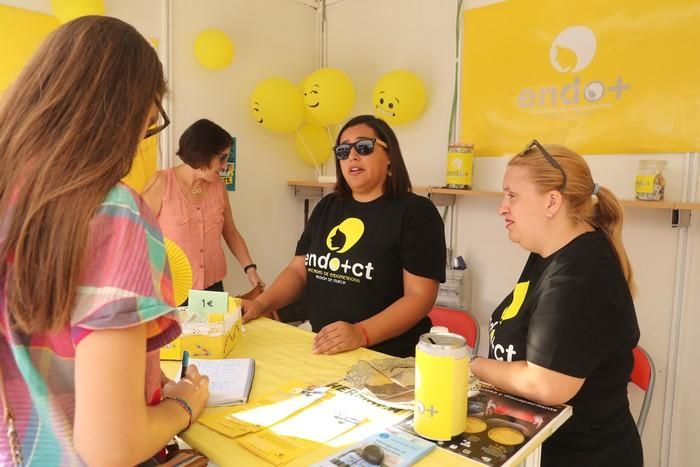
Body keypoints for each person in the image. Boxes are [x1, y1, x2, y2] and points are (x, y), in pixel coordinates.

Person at [0, 17, 209, 465]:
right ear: (126, 114)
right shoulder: (113, 211)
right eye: (149, 122)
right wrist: (185, 403)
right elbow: (109, 448)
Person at [469, 140, 642, 467]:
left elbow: (546, 384)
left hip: (580, 457)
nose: (502, 207)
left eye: (512, 195)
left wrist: (471, 365)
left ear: (551, 202)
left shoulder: (581, 272)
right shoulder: (546, 254)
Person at [242, 115, 446, 357]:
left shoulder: (416, 213)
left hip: (389, 357)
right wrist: (261, 304)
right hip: (329, 353)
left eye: (363, 147)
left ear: (390, 156)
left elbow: (420, 297)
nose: (352, 156)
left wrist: (361, 333)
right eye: (342, 150)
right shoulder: (328, 206)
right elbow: (298, 271)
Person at [142, 119, 263, 303]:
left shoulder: (218, 186)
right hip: (170, 290)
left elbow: (230, 232)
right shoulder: (161, 183)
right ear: (203, 153)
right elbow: (135, 236)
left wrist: (250, 269)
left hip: (212, 288)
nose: (224, 166)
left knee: (215, 332)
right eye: (222, 158)